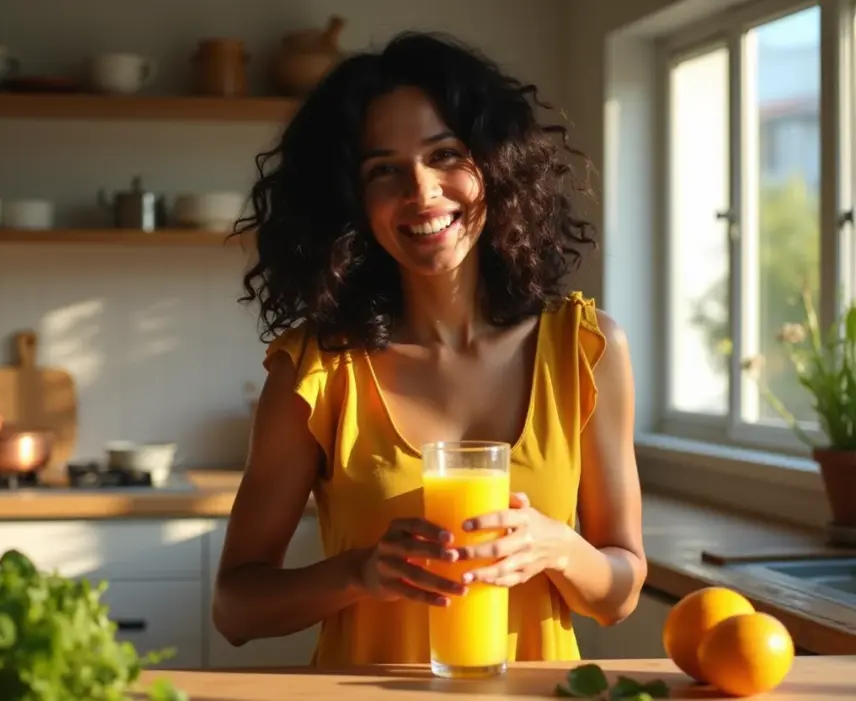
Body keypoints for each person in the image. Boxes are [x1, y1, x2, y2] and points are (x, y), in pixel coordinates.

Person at [211, 30, 646, 667]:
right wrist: (358, 573)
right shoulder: (319, 370)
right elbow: (234, 608)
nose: (421, 191)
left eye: (445, 154)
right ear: (351, 201)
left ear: (495, 164)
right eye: (383, 169)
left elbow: (619, 593)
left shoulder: (586, 348)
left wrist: (556, 547)